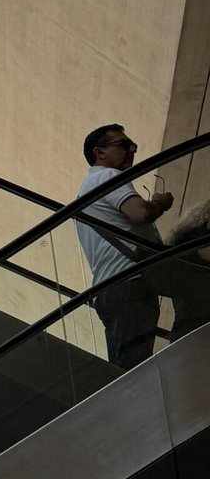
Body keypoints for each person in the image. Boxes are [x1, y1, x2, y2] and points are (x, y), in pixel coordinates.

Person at [74, 124, 210, 368]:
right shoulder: (106, 176)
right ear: (99, 153)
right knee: (134, 369)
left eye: (133, 145)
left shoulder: (85, 193)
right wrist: (159, 203)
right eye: (124, 145)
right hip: (131, 280)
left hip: (109, 290)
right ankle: (183, 360)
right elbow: (141, 214)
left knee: (125, 367)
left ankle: (181, 359)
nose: (132, 150)